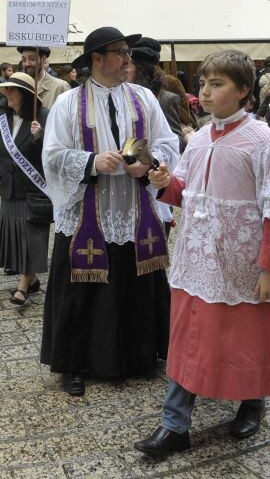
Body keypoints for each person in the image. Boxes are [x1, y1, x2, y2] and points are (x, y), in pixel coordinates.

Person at [135, 50, 270, 458]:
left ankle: (252, 400)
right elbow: (182, 191)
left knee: (246, 338)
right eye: (204, 84)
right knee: (188, 338)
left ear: (244, 90)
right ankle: (175, 425)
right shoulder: (197, 138)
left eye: (217, 84)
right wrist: (161, 181)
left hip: (242, 261)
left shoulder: (265, 142)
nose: (206, 93)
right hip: (197, 259)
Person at [40, 27, 179, 397]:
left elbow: (168, 142)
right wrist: (91, 162)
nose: (127, 61)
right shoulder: (68, 104)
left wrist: (147, 163)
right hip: (90, 214)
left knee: (134, 287)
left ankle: (137, 356)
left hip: (133, 211)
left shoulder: (143, 97)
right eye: (120, 53)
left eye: (128, 53)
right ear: (96, 59)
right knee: (81, 290)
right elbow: (51, 157)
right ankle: (74, 362)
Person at [0, 73, 50, 305]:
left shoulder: (44, 118)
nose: (7, 94)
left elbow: (54, 156)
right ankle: (32, 280)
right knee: (18, 240)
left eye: (13, 90)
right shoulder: (2, 121)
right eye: (6, 90)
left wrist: (39, 138)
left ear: (27, 95)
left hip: (34, 191)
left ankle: (22, 286)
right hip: (10, 191)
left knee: (30, 239)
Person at [129, 41, 186, 152]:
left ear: (141, 69)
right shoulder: (122, 96)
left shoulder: (166, 99)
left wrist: (153, 153)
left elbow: (178, 141)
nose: (123, 70)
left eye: (127, 65)